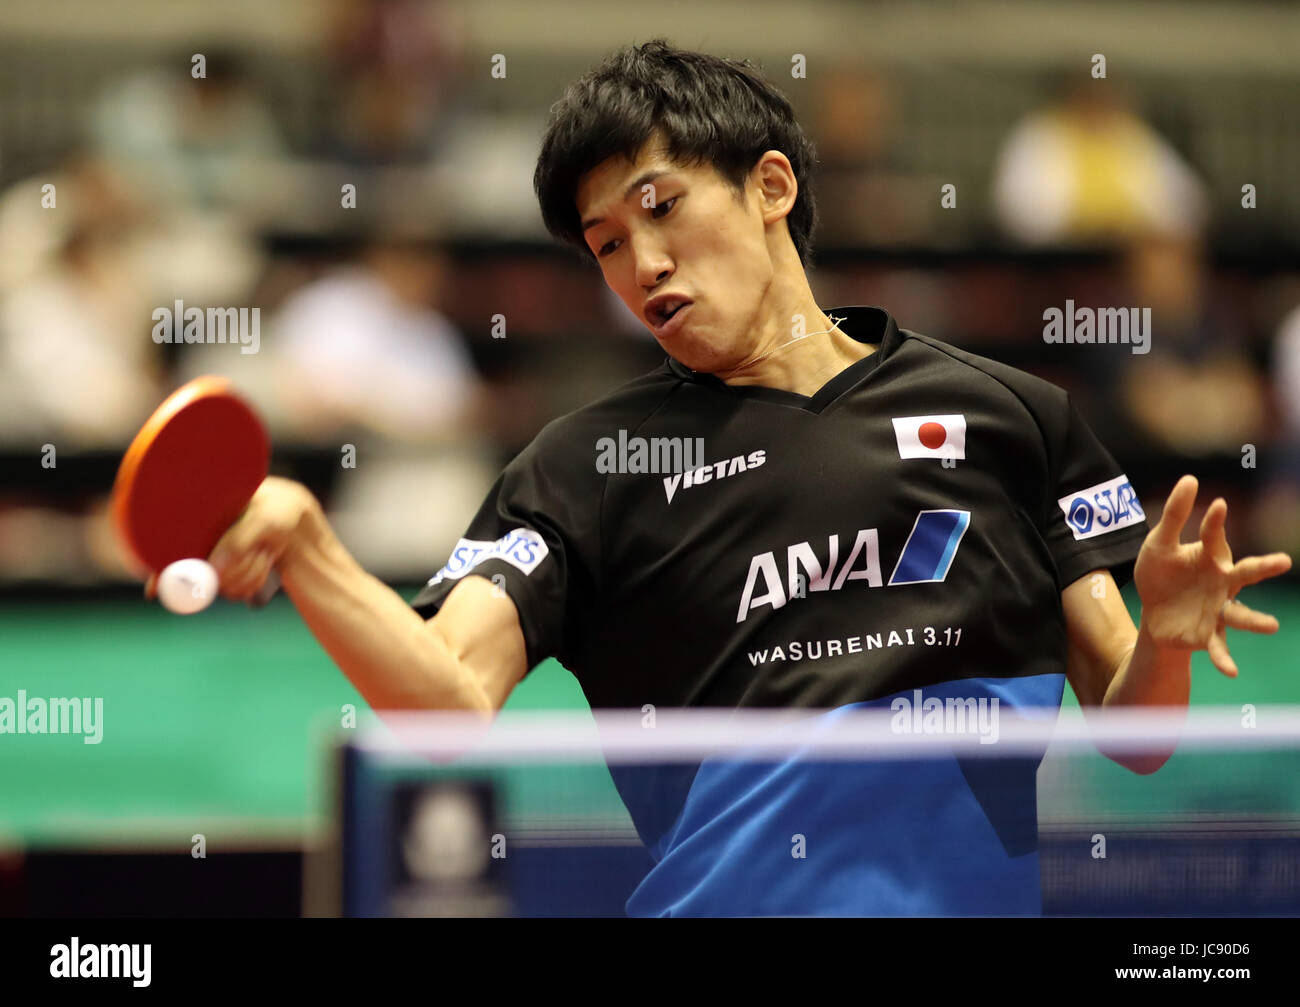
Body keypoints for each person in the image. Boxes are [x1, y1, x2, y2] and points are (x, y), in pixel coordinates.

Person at [173, 41, 1292, 916]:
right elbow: (451, 703)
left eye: (659, 207)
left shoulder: (1012, 419)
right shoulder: (583, 468)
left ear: (769, 184)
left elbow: (1133, 734)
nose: (639, 263)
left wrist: (1165, 642)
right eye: (603, 242)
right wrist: (314, 550)